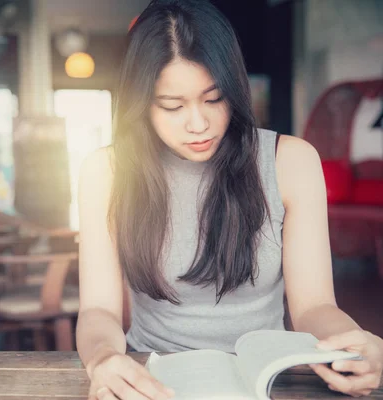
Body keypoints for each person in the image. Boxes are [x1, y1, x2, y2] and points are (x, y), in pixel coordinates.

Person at [75, 1, 383, 399]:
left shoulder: (290, 161)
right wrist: (102, 360)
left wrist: (352, 341)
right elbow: (99, 310)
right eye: (172, 106)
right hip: (152, 378)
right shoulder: (107, 171)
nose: (199, 124)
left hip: (266, 378)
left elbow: (313, 307)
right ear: (141, 104)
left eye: (214, 98)